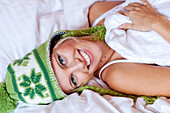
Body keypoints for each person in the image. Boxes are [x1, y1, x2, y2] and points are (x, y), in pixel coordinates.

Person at [1, 0, 170, 112]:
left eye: (62, 61)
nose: (79, 65)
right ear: (82, 85)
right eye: (73, 79)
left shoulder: (98, 13)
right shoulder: (118, 75)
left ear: (58, 42)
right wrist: (157, 23)